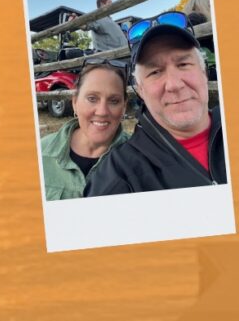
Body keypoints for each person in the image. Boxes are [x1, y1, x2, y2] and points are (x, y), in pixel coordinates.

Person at [85, 12, 225, 195]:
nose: (174, 85)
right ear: (140, 89)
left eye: (183, 64)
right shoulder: (117, 177)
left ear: (204, 72)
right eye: (155, 72)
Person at [41, 60, 131, 200]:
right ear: (75, 102)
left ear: (124, 107)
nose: (102, 112)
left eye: (113, 101)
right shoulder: (40, 154)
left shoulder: (139, 158)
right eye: (92, 98)